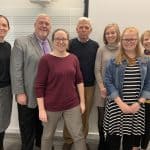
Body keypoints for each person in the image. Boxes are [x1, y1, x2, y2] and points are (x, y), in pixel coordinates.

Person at [35, 28, 87, 150]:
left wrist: (82, 102)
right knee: (47, 136)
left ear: (68, 41)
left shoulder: (73, 58)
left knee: (78, 136)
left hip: (72, 105)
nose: (61, 41)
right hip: (51, 106)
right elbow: (39, 86)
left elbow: (79, 81)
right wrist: (41, 109)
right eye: (57, 39)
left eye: (64, 39)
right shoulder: (45, 60)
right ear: (52, 41)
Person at [103, 27, 150, 150]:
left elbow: (148, 83)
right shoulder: (113, 61)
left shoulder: (145, 61)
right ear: (121, 40)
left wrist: (140, 103)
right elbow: (108, 82)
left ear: (137, 40)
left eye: (132, 39)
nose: (129, 42)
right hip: (116, 106)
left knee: (129, 143)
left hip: (136, 108)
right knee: (112, 141)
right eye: (126, 39)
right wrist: (120, 104)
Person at [10, 14, 51, 150]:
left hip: (46, 96)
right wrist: (19, 92)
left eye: (47, 23)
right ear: (35, 25)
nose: (44, 25)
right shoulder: (21, 42)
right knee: (27, 130)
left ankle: (41, 146)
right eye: (41, 22)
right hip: (27, 95)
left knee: (42, 126)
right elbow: (16, 69)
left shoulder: (51, 43)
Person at [63, 16, 99, 150]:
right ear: (76, 29)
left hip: (88, 86)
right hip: (71, 86)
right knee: (69, 113)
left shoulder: (95, 45)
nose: (83, 30)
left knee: (85, 114)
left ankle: (81, 140)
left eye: (86, 27)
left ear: (90, 30)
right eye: (81, 27)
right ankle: (68, 140)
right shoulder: (70, 44)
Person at [94, 23, 120, 150]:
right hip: (102, 90)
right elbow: (97, 70)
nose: (110, 35)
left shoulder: (123, 49)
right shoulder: (101, 49)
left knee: (114, 119)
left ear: (117, 34)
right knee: (101, 119)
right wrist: (101, 87)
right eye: (107, 33)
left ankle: (111, 142)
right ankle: (102, 142)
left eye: (113, 32)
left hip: (118, 91)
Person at [0, 15, 12, 150]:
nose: (1, 27)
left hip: (6, 89)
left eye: (4, 25)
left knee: (2, 121)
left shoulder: (8, 46)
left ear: (8, 28)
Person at [140, 30, 150, 150]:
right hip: (139, 97)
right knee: (138, 124)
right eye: (146, 39)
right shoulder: (139, 56)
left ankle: (144, 146)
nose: (148, 41)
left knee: (147, 125)